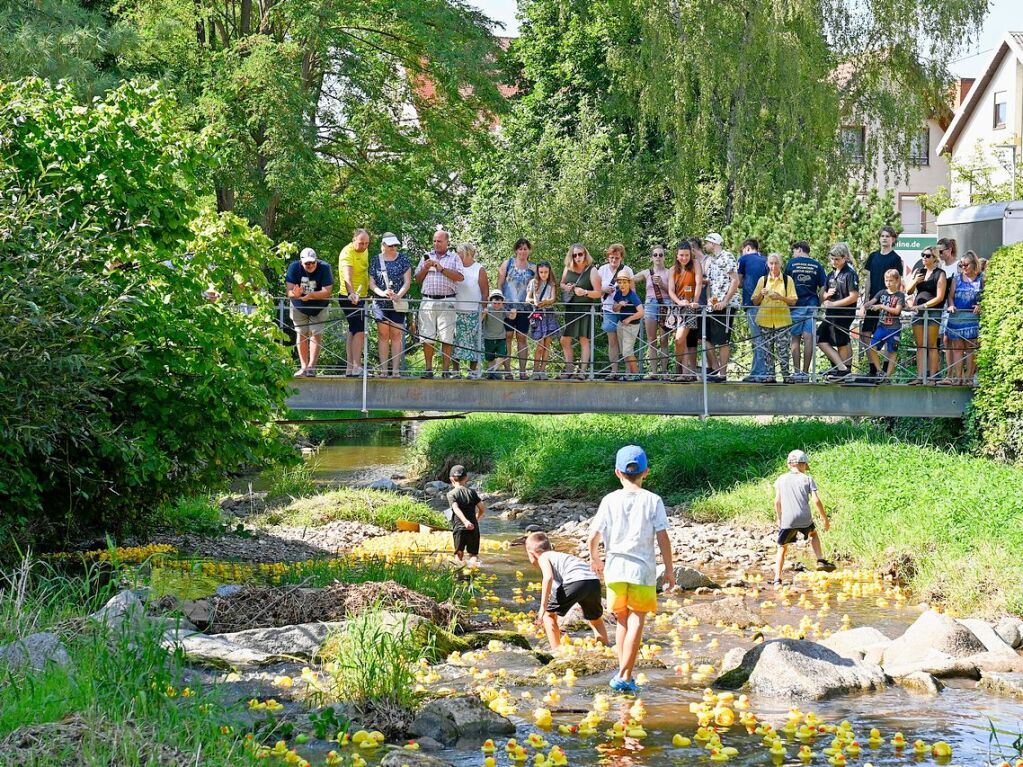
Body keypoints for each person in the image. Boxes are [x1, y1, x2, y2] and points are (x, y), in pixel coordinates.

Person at [587, 445, 674, 693]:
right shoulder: (652, 500)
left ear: (617, 473)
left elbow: (593, 536)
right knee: (637, 620)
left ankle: (623, 671)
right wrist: (669, 569)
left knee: (622, 621)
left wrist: (595, 559)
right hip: (641, 570)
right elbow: (662, 537)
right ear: (646, 472)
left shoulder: (609, 500)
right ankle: (625, 675)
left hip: (615, 570)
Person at [526, 532, 610, 650]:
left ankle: (556, 651)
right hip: (593, 581)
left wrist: (543, 608)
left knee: (549, 616)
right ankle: (605, 647)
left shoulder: (543, 557)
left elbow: (548, 578)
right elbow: (558, 588)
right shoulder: (561, 557)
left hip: (575, 581)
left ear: (532, 554)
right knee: (595, 619)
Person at [773, 449, 834, 587]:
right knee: (813, 533)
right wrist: (825, 519)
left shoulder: (781, 479)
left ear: (789, 464)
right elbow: (816, 501)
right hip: (805, 517)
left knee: (782, 548)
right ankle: (820, 560)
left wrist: (779, 518)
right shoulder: (807, 479)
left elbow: (777, 501)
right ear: (803, 464)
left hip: (787, 520)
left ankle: (777, 579)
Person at [414, 229, 464, 378]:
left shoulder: (454, 257)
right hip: (428, 300)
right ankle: (428, 369)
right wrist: (425, 267)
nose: (436, 244)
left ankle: (445, 371)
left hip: (447, 300)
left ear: (447, 242)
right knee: (427, 336)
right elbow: (417, 279)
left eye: (439, 241)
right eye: (434, 241)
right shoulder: (426, 256)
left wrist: (441, 269)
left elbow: (460, 277)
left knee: (446, 336)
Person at [858, 226, 903, 378]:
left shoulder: (895, 258)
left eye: (888, 236)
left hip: (888, 302)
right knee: (865, 333)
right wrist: (865, 303)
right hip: (873, 299)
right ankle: (873, 369)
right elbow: (868, 279)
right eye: (882, 236)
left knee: (887, 336)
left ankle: (884, 370)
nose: (884, 238)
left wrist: (896, 300)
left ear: (893, 239)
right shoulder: (873, 256)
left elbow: (899, 281)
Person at [286, 247, 334, 377]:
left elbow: (327, 291)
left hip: (319, 307)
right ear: (301, 262)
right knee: (301, 333)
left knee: (315, 333)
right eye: (307, 263)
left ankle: (312, 367)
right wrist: (295, 294)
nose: (311, 265)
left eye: (313, 262)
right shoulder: (294, 267)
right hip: (299, 306)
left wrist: (310, 295)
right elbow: (289, 291)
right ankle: (303, 367)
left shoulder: (324, 267)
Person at [369, 232, 412, 378]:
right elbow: (371, 282)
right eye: (390, 245)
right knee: (383, 334)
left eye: (395, 245)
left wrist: (398, 295)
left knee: (396, 334)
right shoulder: (376, 260)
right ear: (383, 245)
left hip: (398, 302)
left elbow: (407, 282)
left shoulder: (403, 259)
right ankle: (384, 370)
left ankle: (395, 370)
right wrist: (382, 293)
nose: (393, 247)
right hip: (380, 302)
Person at [783, 241, 827, 382]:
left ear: (800, 249)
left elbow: (784, 283)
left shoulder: (792, 263)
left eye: (794, 251)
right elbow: (823, 286)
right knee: (809, 339)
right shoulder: (817, 265)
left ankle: (797, 373)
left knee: (795, 339)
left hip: (795, 305)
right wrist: (819, 302)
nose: (793, 254)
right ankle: (806, 373)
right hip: (812, 305)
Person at [751, 253, 797, 382]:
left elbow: (793, 301)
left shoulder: (788, 280)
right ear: (767, 264)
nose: (773, 266)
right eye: (771, 263)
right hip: (765, 320)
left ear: (781, 264)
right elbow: (755, 301)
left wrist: (780, 297)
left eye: (776, 263)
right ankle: (770, 376)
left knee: (783, 350)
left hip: (782, 321)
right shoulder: (763, 280)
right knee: (767, 351)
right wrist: (761, 293)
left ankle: (786, 376)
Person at [558, 244, 602, 380]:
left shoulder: (592, 270)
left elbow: (598, 293)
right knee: (564, 340)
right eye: (574, 255)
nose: (577, 257)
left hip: (585, 309)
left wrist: (585, 292)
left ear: (585, 254)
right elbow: (561, 284)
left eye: (580, 254)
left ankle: (582, 371)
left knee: (584, 339)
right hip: (571, 308)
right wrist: (568, 287)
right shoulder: (568, 268)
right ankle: (569, 368)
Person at [816, 243, 859, 379]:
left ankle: (843, 370)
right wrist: (826, 296)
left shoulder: (850, 273)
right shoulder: (830, 274)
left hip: (844, 314)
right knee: (821, 338)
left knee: (841, 341)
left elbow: (853, 296)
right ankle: (841, 368)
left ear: (845, 258)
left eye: (837, 259)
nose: (834, 262)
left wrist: (834, 304)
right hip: (831, 314)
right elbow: (823, 295)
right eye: (832, 259)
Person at [905, 247, 947, 385]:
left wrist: (924, 306)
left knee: (931, 344)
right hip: (918, 311)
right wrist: (916, 281)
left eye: (928, 255)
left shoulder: (940, 273)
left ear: (935, 258)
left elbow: (940, 297)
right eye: (923, 255)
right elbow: (908, 291)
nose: (924, 258)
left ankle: (932, 377)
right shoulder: (919, 271)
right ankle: (920, 376)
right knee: (920, 345)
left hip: (933, 311)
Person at [702, 233, 740, 381]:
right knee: (707, 337)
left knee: (723, 340)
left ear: (713, 243)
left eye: (707, 242)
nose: (705, 245)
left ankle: (723, 375)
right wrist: (710, 299)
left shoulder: (727, 256)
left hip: (727, 305)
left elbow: (735, 280)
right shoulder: (712, 261)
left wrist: (725, 301)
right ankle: (717, 369)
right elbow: (711, 284)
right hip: (714, 305)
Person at [498, 238, 537, 380]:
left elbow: (541, 285)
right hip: (507, 306)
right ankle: (507, 371)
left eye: (525, 248)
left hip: (525, 308)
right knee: (507, 337)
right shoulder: (507, 263)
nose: (522, 251)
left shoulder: (533, 267)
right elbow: (500, 283)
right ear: (515, 250)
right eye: (520, 248)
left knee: (522, 338)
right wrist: (499, 303)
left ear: (529, 250)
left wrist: (536, 273)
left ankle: (522, 371)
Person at [943, 250, 984, 386]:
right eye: (961, 265)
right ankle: (958, 377)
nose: (963, 268)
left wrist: (980, 304)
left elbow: (986, 296)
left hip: (972, 317)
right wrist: (951, 305)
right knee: (957, 348)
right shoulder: (957, 278)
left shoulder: (981, 278)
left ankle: (969, 378)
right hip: (956, 317)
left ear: (973, 264)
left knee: (971, 347)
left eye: (966, 265)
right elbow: (950, 296)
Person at [633, 246, 672, 378]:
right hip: (650, 304)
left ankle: (665, 372)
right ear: (651, 257)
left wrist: (662, 284)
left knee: (664, 340)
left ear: (664, 257)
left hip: (665, 304)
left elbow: (674, 291)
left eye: (661, 255)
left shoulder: (669, 272)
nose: (658, 257)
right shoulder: (646, 272)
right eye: (655, 255)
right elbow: (630, 279)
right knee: (651, 340)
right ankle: (654, 372)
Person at [665, 241, 702, 381]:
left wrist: (695, 301)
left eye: (686, 255)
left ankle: (683, 371)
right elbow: (670, 290)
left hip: (690, 305)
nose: (684, 258)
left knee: (680, 338)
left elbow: (698, 283)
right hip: (676, 306)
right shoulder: (672, 269)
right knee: (679, 342)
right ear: (677, 255)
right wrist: (679, 302)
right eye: (681, 255)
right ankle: (682, 371)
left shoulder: (696, 264)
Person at [452, 243, 489, 379]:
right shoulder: (455, 268)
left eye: (459, 253)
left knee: (474, 342)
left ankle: (472, 372)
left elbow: (485, 292)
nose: (457, 255)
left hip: (474, 312)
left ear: (467, 253)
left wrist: (483, 310)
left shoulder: (479, 269)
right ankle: (455, 371)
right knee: (455, 341)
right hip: (456, 312)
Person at [338, 229, 371, 377]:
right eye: (361, 243)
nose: (364, 246)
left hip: (362, 296)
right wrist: (351, 293)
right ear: (354, 240)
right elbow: (347, 277)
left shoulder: (365, 250)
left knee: (353, 329)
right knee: (360, 330)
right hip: (349, 297)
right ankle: (357, 366)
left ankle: (350, 367)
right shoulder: (347, 252)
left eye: (366, 243)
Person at [864, 269, 906, 383]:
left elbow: (897, 311)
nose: (888, 283)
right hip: (881, 327)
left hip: (894, 329)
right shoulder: (881, 292)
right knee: (872, 347)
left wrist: (881, 306)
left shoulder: (900, 295)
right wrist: (864, 307)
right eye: (886, 280)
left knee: (892, 353)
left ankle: (887, 376)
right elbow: (872, 301)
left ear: (897, 281)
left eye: (891, 281)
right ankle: (879, 371)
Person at [737, 238, 770, 382]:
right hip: (767, 304)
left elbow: (738, 282)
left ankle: (759, 373)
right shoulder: (767, 260)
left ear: (748, 248)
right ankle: (764, 371)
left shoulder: (744, 259)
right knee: (766, 339)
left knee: (757, 339)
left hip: (751, 303)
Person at [598, 245, 629, 378]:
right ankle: (614, 370)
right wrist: (604, 290)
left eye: (617, 258)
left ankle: (629, 371)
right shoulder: (602, 270)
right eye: (611, 257)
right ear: (608, 257)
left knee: (626, 341)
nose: (614, 260)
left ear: (621, 258)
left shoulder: (627, 270)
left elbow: (631, 290)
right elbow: (595, 288)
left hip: (624, 309)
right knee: (612, 341)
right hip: (608, 309)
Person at [446, 465, 486, 567]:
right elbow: (482, 508)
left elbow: (455, 509)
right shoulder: (472, 492)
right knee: (473, 555)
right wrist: (476, 518)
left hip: (459, 528)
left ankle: (460, 578)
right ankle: (474, 575)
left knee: (459, 555)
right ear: (466, 478)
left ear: (451, 479)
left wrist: (465, 522)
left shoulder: (451, 494)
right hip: (473, 528)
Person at [527, 261, 560, 379]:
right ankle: (535, 371)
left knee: (547, 345)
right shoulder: (533, 282)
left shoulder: (551, 283)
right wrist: (535, 302)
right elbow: (527, 298)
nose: (543, 274)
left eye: (546, 272)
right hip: (538, 315)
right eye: (541, 272)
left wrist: (546, 302)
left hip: (549, 314)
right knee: (540, 345)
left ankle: (542, 371)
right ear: (538, 272)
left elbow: (553, 299)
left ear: (549, 272)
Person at [611, 269, 644, 380]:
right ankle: (628, 374)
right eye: (620, 282)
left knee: (627, 351)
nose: (622, 284)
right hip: (621, 324)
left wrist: (629, 319)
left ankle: (636, 375)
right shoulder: (618, 293)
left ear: (629, 283)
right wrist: (619, 305)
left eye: (624, 282)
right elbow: (614, 308)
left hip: (632, 325)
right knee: (624, 351)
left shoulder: (632, 296)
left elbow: (641, 312)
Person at [481, 290, 509, 379]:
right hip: (488, 337)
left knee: (502, 354)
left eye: (499, 303)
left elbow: (511, 316)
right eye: (495, 303)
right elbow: (480, 320)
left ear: (502, 302)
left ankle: (492, 371)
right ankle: (491, 374)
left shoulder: (503, 309)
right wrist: (484, 313)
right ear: (491, 301)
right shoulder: (488, 309)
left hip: (500, 337)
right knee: (490, 357)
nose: (497, 305)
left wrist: (513, 312)